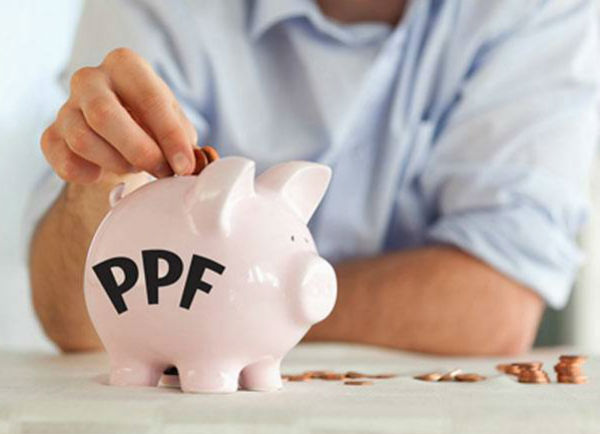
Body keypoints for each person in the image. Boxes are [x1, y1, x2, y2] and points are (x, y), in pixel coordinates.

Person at [29, 0, 599, 354]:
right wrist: (101, 180)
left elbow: (491, 306)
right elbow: (79, 323)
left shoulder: (541, 11)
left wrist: (225, 304)